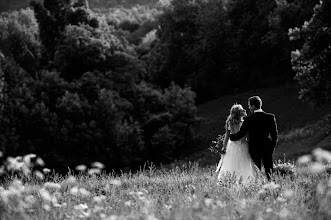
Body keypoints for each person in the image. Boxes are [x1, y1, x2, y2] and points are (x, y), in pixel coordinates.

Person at [229, 96, 278, 180]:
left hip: (254, 148)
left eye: (249, 105)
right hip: (267, 147)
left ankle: (258, 187)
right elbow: (274, 134)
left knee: (256, 171)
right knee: (269, 170)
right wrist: (272, 147)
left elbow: (241, 133)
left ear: (253, 106)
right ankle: (272, 187)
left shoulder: (248, 120)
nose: (248, 107)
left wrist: (231, 137)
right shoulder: (270, 117)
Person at [216, 104, 258, 184]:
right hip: (242, 145)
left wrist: (224, 147)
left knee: (233, 163)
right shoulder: (244, 123)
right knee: (243, 162)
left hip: (232, 145)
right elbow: (242, 137)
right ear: (238, 113)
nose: (244, 110)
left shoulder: (230, 123)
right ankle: (245, 181)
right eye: (242, 110)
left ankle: (230, 181)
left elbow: (227, 136)